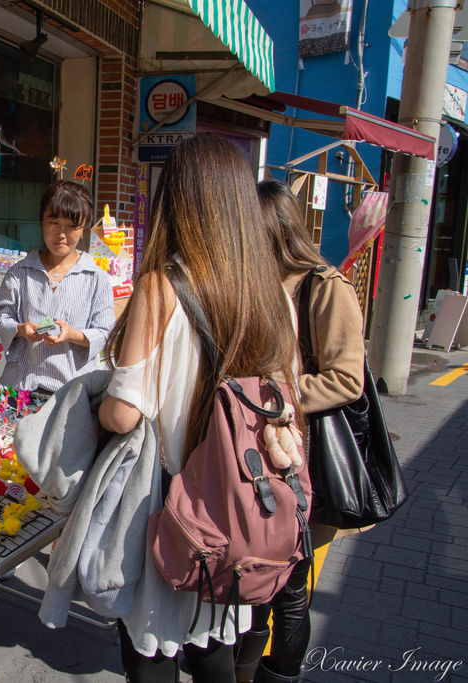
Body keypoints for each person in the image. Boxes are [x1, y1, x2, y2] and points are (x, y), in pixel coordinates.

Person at [97, 136, 301, 682]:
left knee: (154, 653)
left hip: (174, 501)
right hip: (239, 499)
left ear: (177, 199)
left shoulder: (161, 288)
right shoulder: (272, 293)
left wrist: (97, 403)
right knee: (214, 643)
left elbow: (123, 415)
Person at [232, 178, 365, 683]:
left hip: (308, 463)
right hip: (258, 459)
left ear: (273, 229)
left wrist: (274, 396)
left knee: (291, 590)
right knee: (256, 579)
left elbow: (347, 378)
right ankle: (244, 667)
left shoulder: (325, 286)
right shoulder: (255, 285)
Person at [0, 180, 114, 395]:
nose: (61, 233)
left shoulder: (97, 278)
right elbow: (1, 319)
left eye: (72, 225)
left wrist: (72, 334)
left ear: (84, 228)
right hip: (21, 389)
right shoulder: (20, 273)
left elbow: (105, 333)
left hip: (72, 394)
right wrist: (21, 330)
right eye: (54, 222)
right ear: (42, 221)